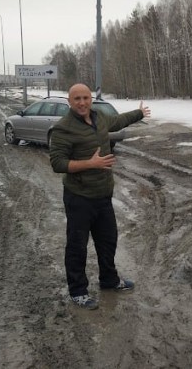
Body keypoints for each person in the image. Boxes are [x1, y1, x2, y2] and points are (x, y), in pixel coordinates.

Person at [49, 83, 151, 309]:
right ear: (69, 101)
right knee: (77, 246)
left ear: (91, 99)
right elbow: (57, 163)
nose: (82, 102)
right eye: (77, 99)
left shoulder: (100, 117)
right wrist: (90, 163)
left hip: (103, 194)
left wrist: (139, 113)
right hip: (79, 197)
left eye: (85, 98)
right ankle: (78, 291)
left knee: (108, 240)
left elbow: (119, 121)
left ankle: (109, 280)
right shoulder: (63, 128)